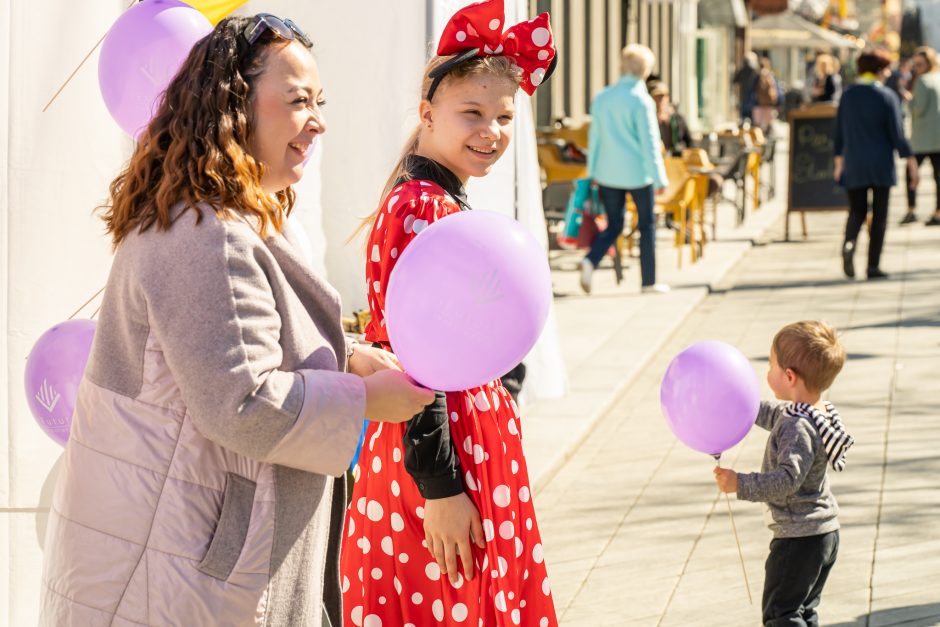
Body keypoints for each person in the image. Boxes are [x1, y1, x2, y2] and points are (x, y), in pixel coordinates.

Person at [39, 15, 435, 627]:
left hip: (176, 561)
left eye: (319, 101)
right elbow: (241, 403)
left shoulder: (213, 218)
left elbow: (241, 346)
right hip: (178, 573)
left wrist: (346, 353)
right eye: (299, 100)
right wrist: (362, 400)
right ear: (234, 106)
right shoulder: (207, 237)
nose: (319, 120)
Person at [339, 2, 559, 625]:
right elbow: (417, 357)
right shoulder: (419, 210)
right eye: (472, 113)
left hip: (469, 440)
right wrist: (440, 488)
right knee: (447, 603)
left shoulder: (440, 203)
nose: (490, 130)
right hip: (438, 453)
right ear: (428, 114)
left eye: (503, 116)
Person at [714, 321, 853, 627]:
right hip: (822, 536)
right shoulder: (811, 410)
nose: (767, 373)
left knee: (781, 614)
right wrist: (740, 404)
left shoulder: (797, 426)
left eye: (771, 365)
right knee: (802, 611)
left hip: (799, 540)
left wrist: (740, 483)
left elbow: (786, 480)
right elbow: (770, 413)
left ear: (789, 376)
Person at [581, 44, 669, 295]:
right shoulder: (641, 101)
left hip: (607, 173)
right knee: (647, 226)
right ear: (645, 70)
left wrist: (591, 172)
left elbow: (594, 139)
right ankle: (648, 281)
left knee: (614, 225)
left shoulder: (603, 97)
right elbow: (650, 142)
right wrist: (660, 178)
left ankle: (591, 260)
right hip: (638, 174)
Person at [834, 48, 918, 280]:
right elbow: (897, 134)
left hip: (854, 162)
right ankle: (873, 266)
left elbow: (839, 132)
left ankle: (849, 242)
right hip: (881, 164)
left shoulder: (848, 95)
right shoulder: (887, 97)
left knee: (857, 210)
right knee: (879, 216)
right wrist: (911, 161)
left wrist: (838, 162)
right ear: (880, 70)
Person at [899, 46, 940, 226]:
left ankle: (912, 209)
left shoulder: (922, 81)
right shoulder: (938, 78)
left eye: (919, 64)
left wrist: (909, 99)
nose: (916, 68)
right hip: (937, 137)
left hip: (922, 139)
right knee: (938, 177)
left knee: (910, 174)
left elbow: (918, 108)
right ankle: (938, 212)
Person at [649, 80, 693, 156]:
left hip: (676, 161)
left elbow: (690, 144)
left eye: (663, 96)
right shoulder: (647, 121)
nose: (660, 100)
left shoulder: (678, 119)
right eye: (657, 97)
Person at [752, 56, 781, 130]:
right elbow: (777, 89)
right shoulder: (770, 76)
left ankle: (760, 139)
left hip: (759, 103)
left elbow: (752, 89)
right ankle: (768, 138)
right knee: (769, 124)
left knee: (757, 125)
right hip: (769, 103)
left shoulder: (758, 76)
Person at [734, 51, 760, 122]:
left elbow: (735, 80)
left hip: (747, 96)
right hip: (751, 96)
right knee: (751, 118)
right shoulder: (755, 70)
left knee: (745, 116)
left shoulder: (745, 70)